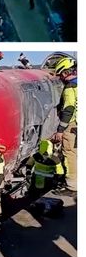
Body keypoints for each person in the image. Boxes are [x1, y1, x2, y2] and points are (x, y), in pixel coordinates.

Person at [51, 57, 77, 196]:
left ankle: (72, 186)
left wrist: (61, 130)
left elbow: (69, 109)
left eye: (61, 74)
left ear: (66, 73)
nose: (61, 78)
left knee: (70, 154)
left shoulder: (70, 88)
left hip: (72, 126)